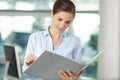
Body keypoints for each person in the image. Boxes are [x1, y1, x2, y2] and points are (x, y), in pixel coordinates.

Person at [22, 0, 84, 80]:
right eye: (59, 19)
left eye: (67, 22)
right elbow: (26, 74)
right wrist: (28, 64)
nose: (62, 25)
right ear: (52, 14)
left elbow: (78, 75)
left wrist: (74, 78)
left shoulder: (75, 41)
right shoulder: (35, 38)